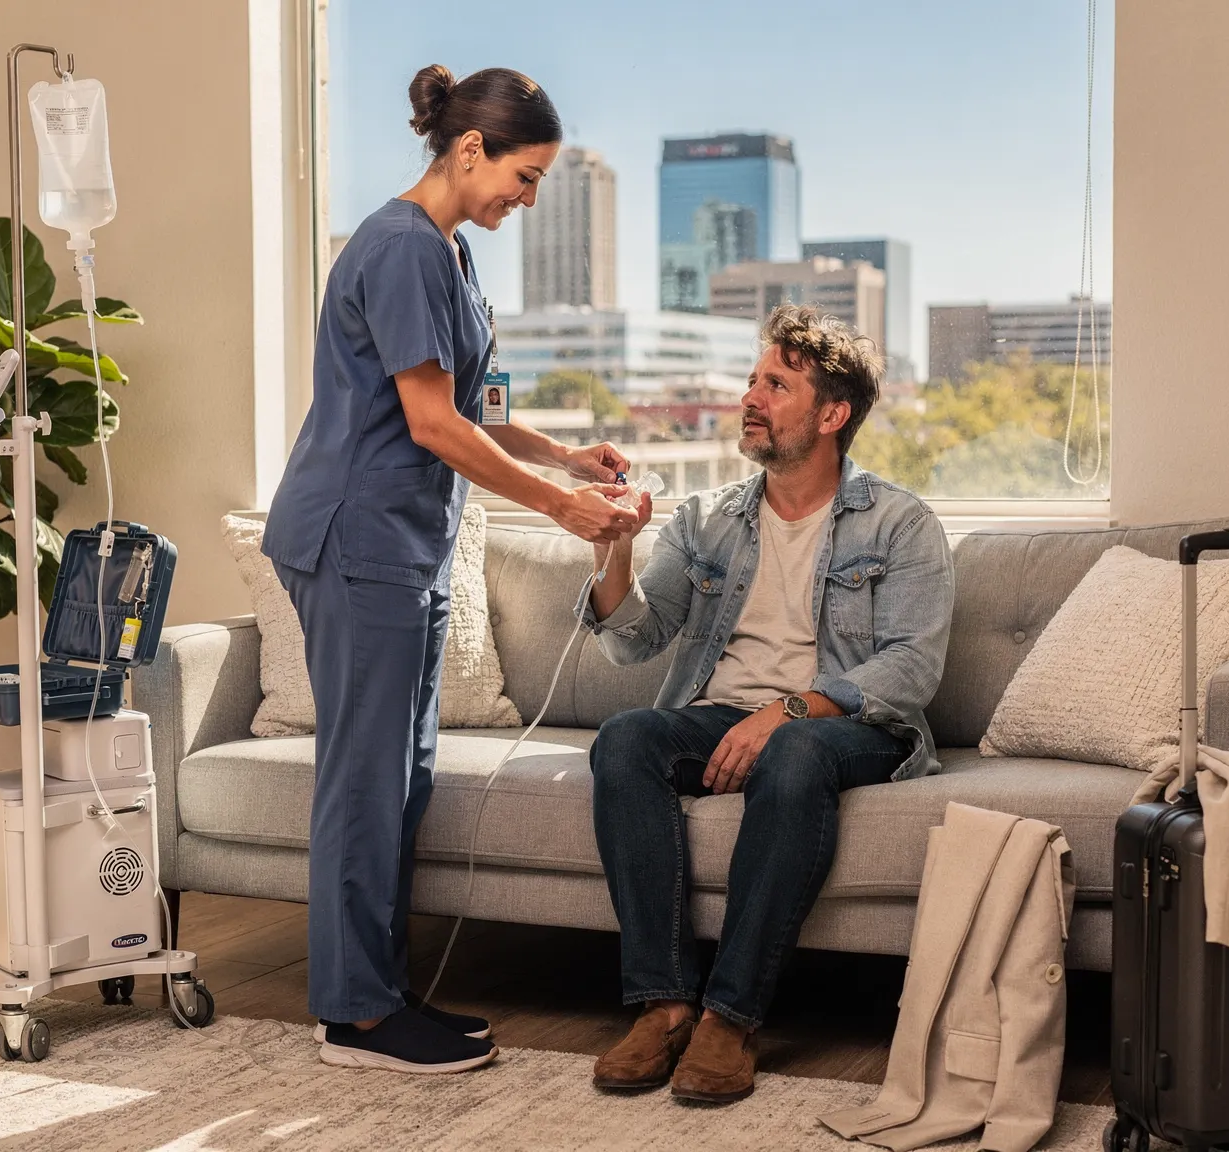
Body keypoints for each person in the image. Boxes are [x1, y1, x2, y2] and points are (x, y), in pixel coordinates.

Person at [261, 64, 642, 1076]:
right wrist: (559, 508)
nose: (524, 202)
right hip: (357, 540)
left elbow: (469, 403)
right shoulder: (396, 250)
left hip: (407, 545)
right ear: (467, 148)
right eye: (520, 180)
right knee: (362, 776)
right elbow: (431, 425)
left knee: (401, 775)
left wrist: (564, 455)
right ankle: (355, 1016)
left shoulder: (449, 255)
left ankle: (379, 996)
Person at [581, 306, 955, 1103]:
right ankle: (665, 1003)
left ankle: (731, 1018)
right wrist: (613, 550)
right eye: (753, 379)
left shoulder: (900, 523)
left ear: (831, 414)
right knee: (623, 740)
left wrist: (785, 713)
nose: (750, 396)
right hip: (725, 714)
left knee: (793, 750)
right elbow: (634, 641)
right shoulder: (708, 518)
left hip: (848, 726)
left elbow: (911, 670)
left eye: (775, 385)